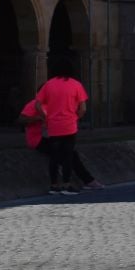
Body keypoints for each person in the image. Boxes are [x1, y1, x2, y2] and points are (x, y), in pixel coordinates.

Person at [33, 55, 90, 196]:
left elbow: (38, 104)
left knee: (54, 156)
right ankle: (66, 184)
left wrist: (45, 116)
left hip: (53, 125)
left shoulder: (48, 85)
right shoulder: (76, 85)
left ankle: (53, 185)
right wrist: (76, 117)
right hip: (69, 125)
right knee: (68, 155)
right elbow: (83, 108)